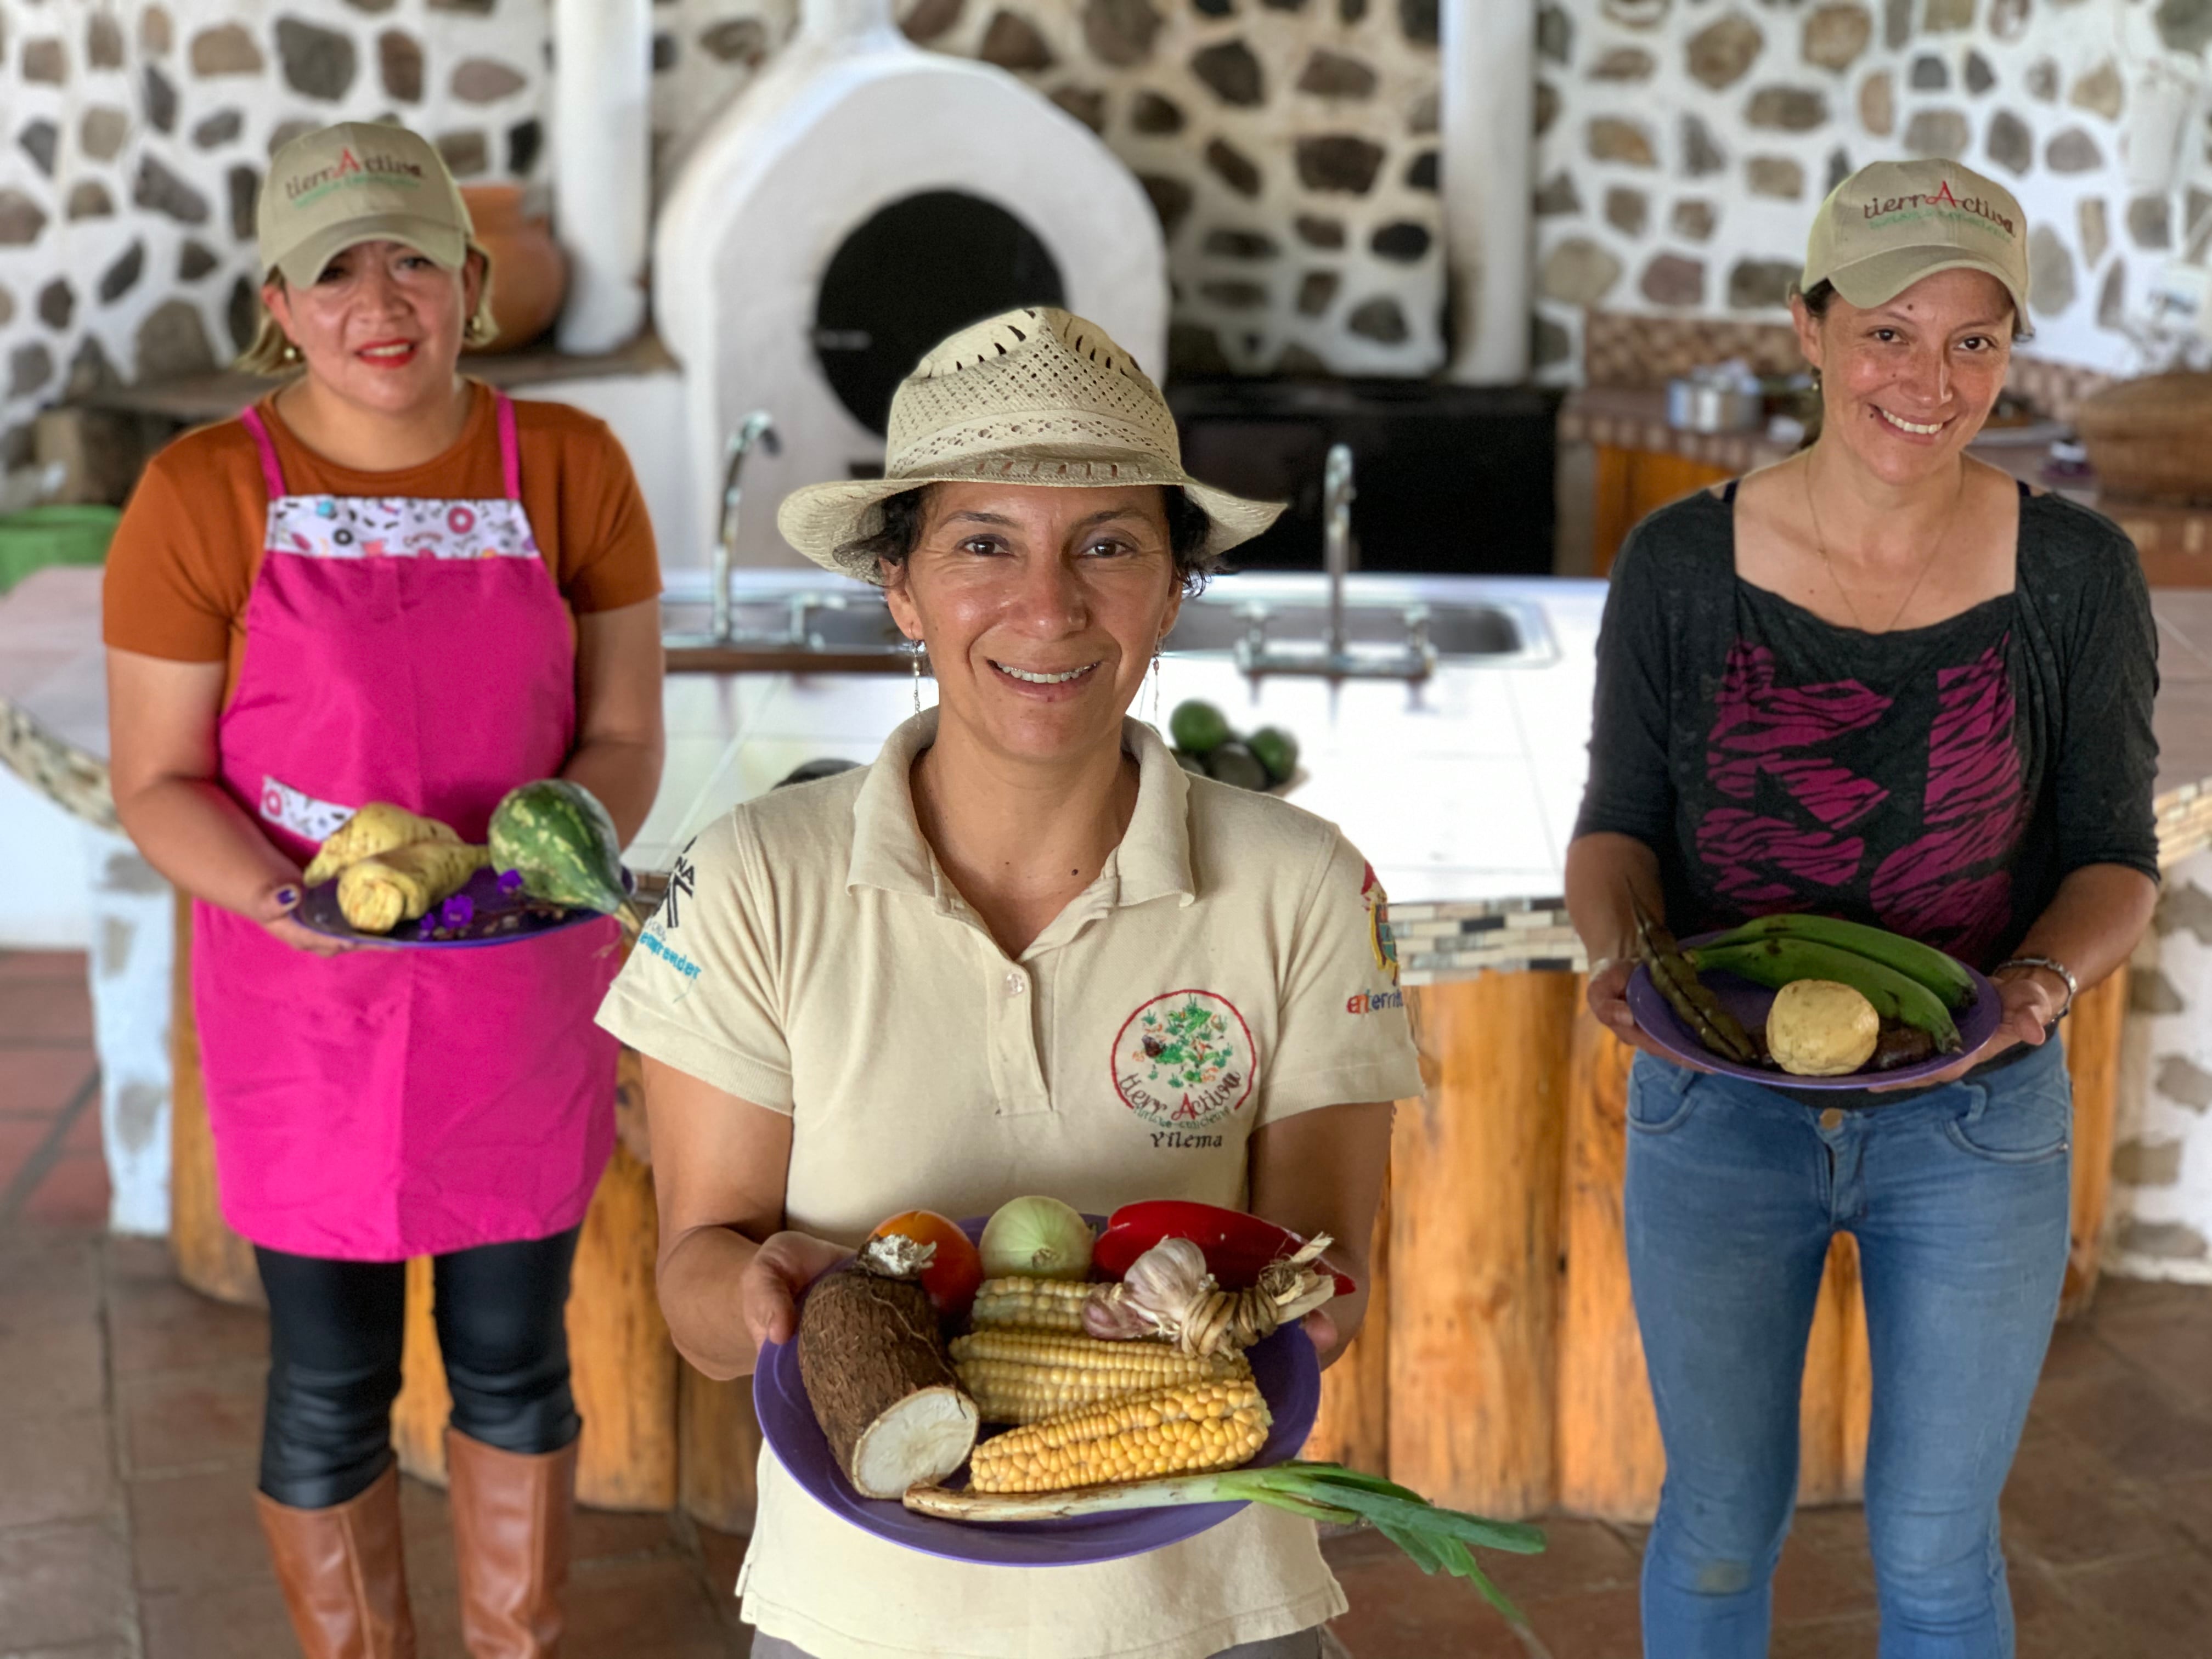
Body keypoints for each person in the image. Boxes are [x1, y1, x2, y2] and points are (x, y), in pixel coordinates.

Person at [597, 307, 1418, 1659]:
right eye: (985, 544)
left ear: (1169, 589)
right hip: (862, 1611)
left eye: (1108, 545)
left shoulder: (1303, 883)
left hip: (1210, 1606)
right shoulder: (753, 879)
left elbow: (1328, 1284)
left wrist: (1276, 1312)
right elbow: (699, 1271)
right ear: (900, 586)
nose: (1050, 606)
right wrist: (759, 1298)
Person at [1566, 157, 2160, 1658]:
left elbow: (2112, 859)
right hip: (1718, 1108)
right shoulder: (1682, 564)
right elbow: (1619, 830)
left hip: (1977, 1117)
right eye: (1892, 329)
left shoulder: (2077, 573)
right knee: (1713, 1525)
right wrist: (1617, 962)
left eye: (1976, 340)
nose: (1933, 377)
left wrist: (2029, 994)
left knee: (1938, 1548)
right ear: (1811, 328)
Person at [103, 122, 664, 1659]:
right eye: (330, 269)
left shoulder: (569, 468)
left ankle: (516, 1645)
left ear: (473, 280)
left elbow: (619, 734)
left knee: (512, 1358)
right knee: (331, 1377)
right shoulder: (201, 493)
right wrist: (291, 905)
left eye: (410, 254)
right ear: (277, 306)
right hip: (308, 1003)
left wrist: (553, 862)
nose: (378, 297)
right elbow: (158, 780)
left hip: (520, 995)